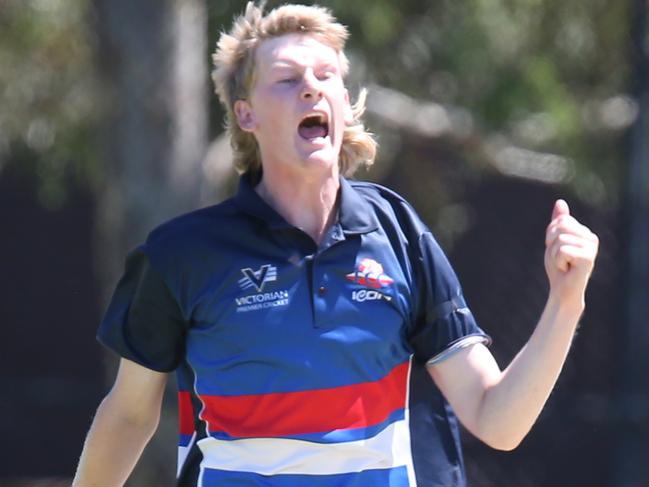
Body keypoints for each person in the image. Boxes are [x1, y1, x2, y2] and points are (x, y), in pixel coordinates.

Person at [72, 3, 599, 486]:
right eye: (286, 79)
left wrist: (565, 299)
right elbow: (128, 415)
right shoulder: (183, 255)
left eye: (326, 77)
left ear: (344, 105)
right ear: (245, 114)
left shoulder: (397, 231)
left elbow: (496, 417)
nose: (311, 88)